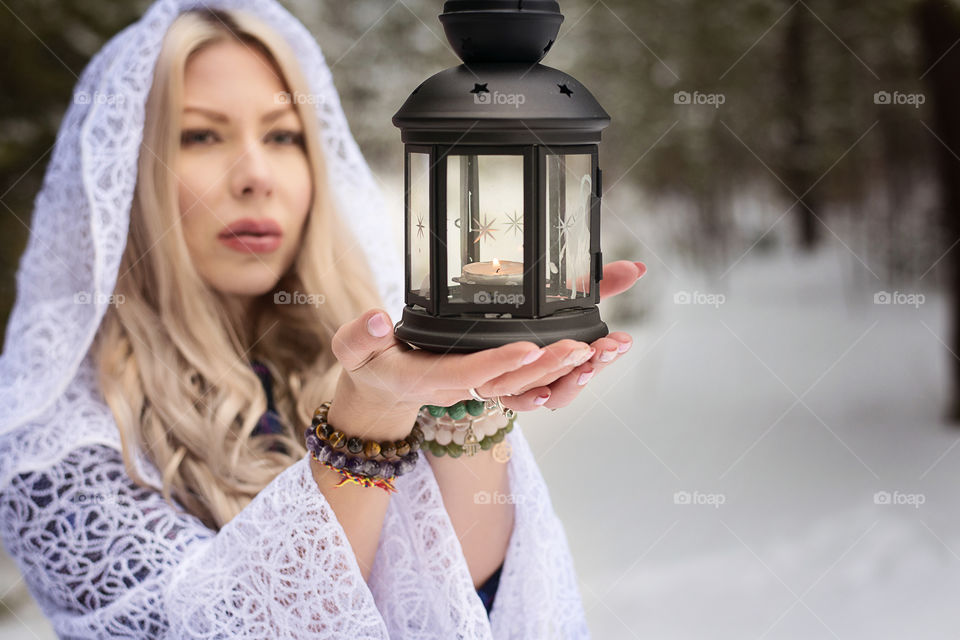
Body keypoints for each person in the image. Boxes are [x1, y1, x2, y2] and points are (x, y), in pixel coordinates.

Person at [0, 0, 645, 637]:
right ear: (126, 171)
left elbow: (469, 603)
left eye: (283, 136)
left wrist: (470, 399)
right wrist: (367, 421)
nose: (256, 175)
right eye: (200, 134)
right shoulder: (56, 441)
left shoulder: (369, 346)